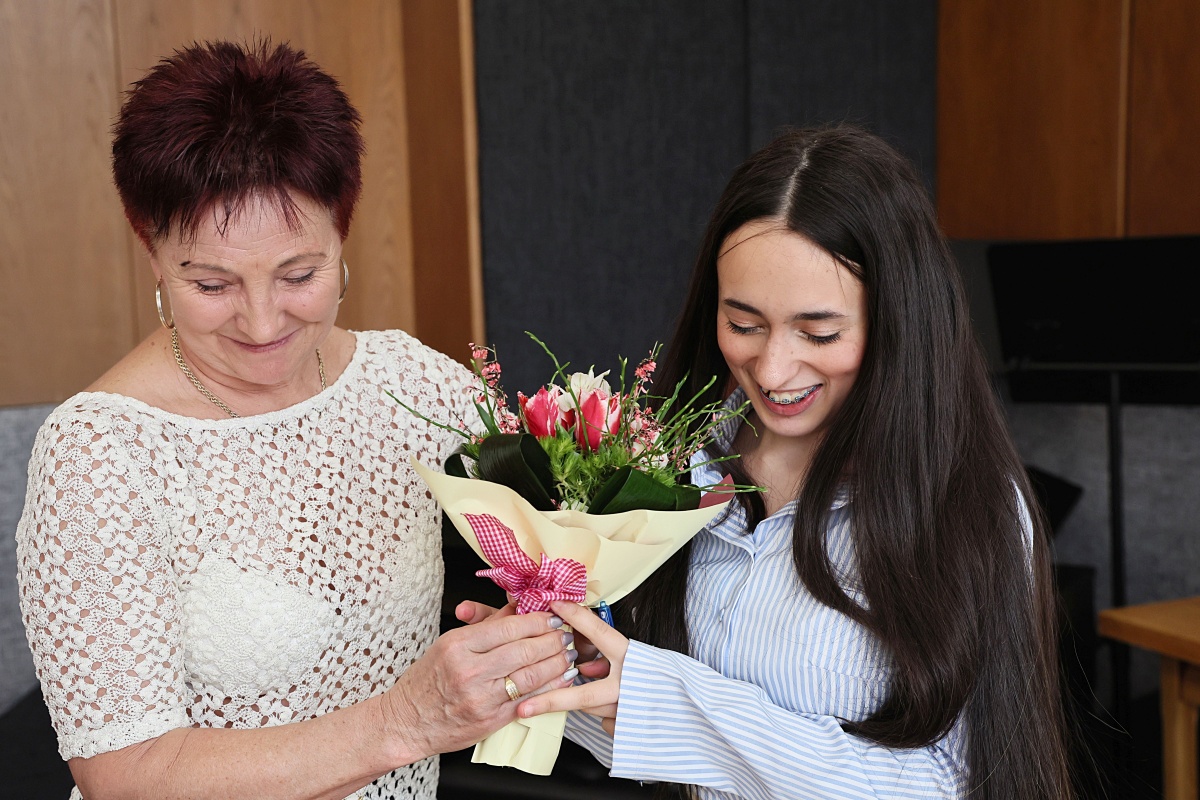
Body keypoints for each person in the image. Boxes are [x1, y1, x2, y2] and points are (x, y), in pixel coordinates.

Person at [15, 40, 575, 800]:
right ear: (150, 247)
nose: (260, 321)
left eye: (299, 274)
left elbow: (560, 528)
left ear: (343, 233)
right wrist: (406, 722)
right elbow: (124, 773)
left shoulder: (411, 384)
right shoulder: (101, 452)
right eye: (211, 284)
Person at [510, 126, 1078, 799]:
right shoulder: (670, 467)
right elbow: (666, 751)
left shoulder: (969, 506)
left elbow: (952, 783)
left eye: (820, 332)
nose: (773, 369)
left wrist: (672, 705)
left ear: (899, 321)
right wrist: (554, 676)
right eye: (743, 324)